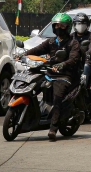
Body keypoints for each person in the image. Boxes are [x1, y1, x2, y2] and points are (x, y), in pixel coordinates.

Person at [23, 13, 81, 141]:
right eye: (56, 25)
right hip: (48, 74)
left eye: (62, 25)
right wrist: (23, 54)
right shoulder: (50, 41)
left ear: (68, 27)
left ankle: (53, 128)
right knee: (30, 88)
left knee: (57, 98)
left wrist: (62, 65)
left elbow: (73, 59)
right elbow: (37, 50)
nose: (58, 28)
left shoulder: (73, 43)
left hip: (64, 76)